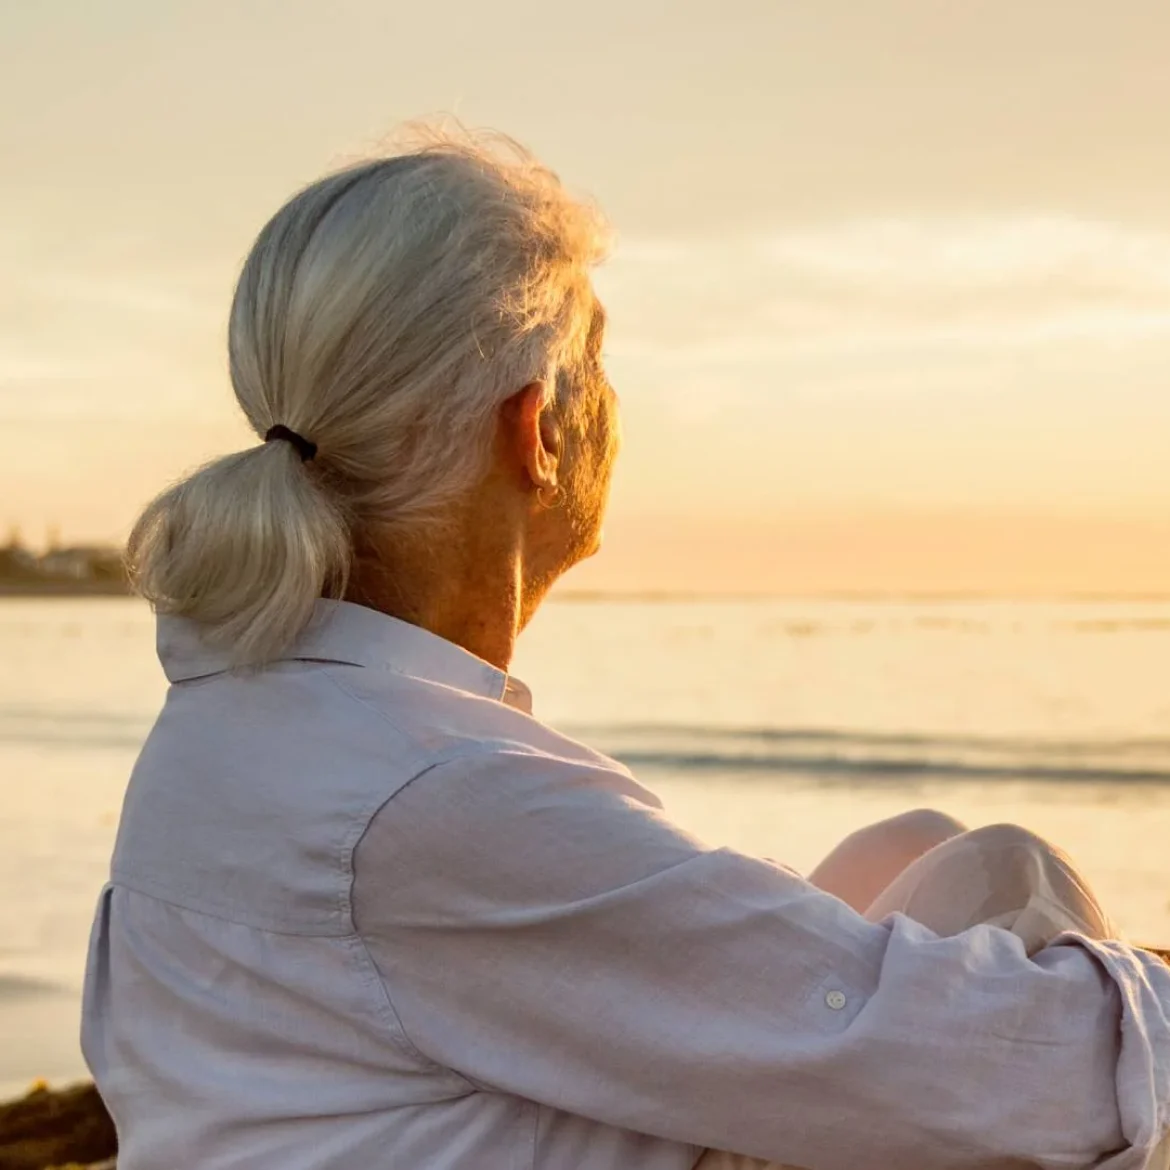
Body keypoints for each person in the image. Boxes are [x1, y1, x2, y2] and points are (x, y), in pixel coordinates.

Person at [81, 126, 1170, 1170]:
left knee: (931, 850)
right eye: (594, 366)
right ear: (537, 430)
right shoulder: (428, 798)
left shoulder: (243, 718)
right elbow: (1031, 1070)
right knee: (1036, 953)